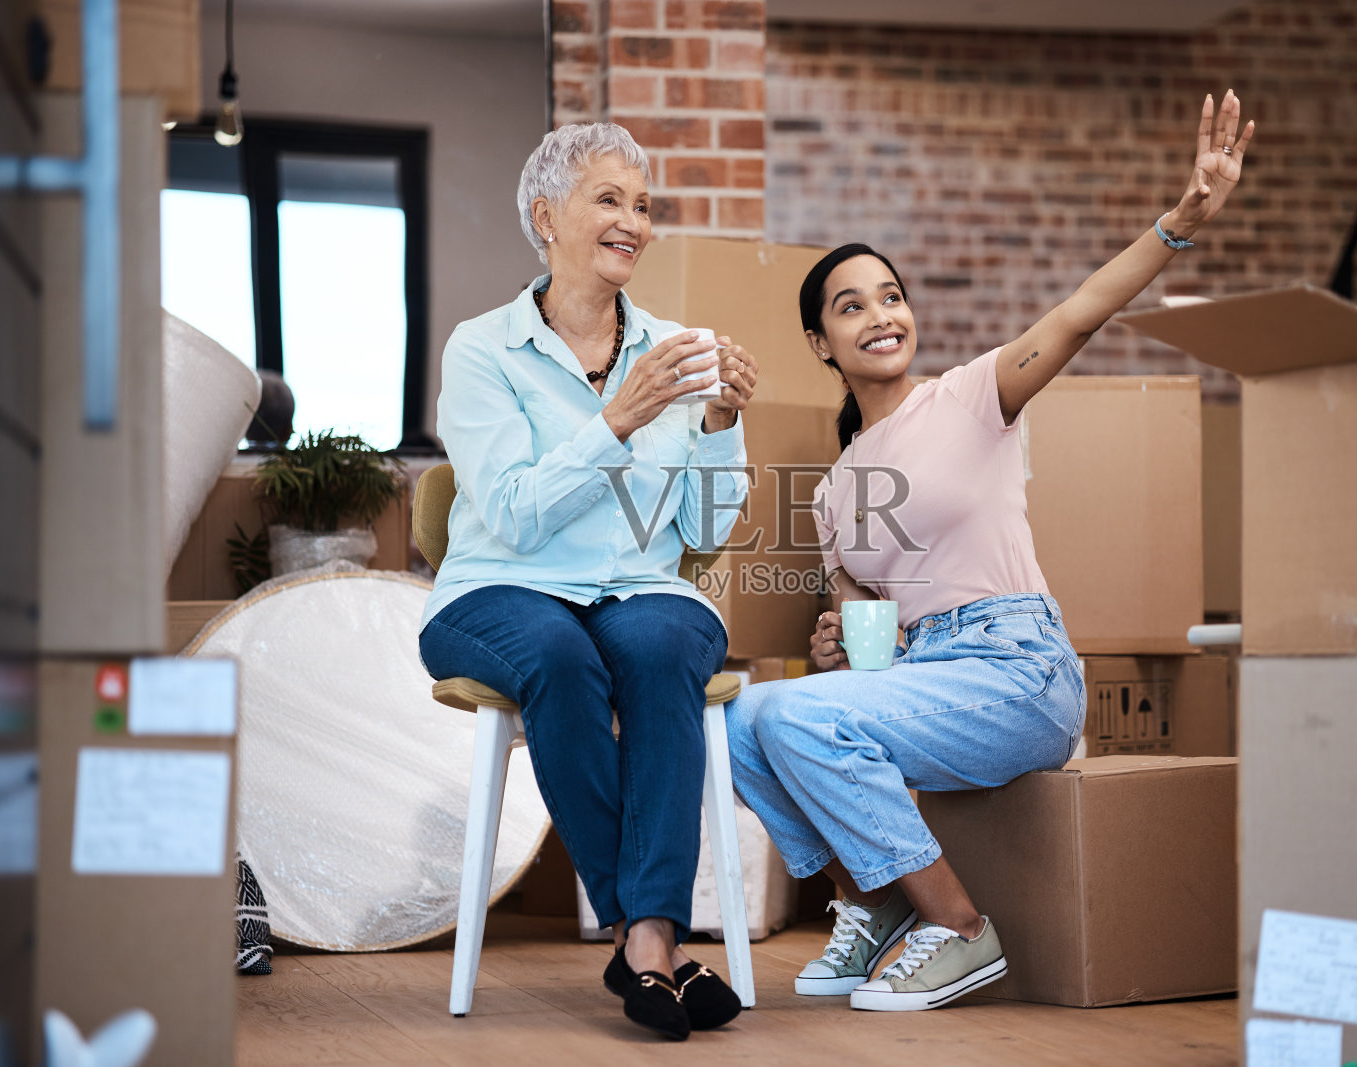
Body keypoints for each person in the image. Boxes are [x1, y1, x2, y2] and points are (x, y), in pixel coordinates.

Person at [726, 90, 1254, 1012]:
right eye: (851, 307)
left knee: (795, 717)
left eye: (891, 297)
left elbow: (1078, 313)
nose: (880, 315)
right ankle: (872, 906)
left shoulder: (972, 397)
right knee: (740, 720)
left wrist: (1179, 222)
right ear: (820, 342)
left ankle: (960, 928)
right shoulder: (833, 490)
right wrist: (838, 650)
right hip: (927, 673)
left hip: (1018, 668)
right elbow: (868, 638)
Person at [418, 122, 760, 1040]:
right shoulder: (482, 350)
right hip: (498, 589)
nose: (633, 222)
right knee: (560, 655)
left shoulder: (677, 349)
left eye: (642, 205)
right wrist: (618, 420)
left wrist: (720, 424)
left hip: (634, 589)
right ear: (546, 218)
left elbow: (703, 534)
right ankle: (647, 932)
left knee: (666, 641)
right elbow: (514, 513)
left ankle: (645, 939)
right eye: (609, 199)